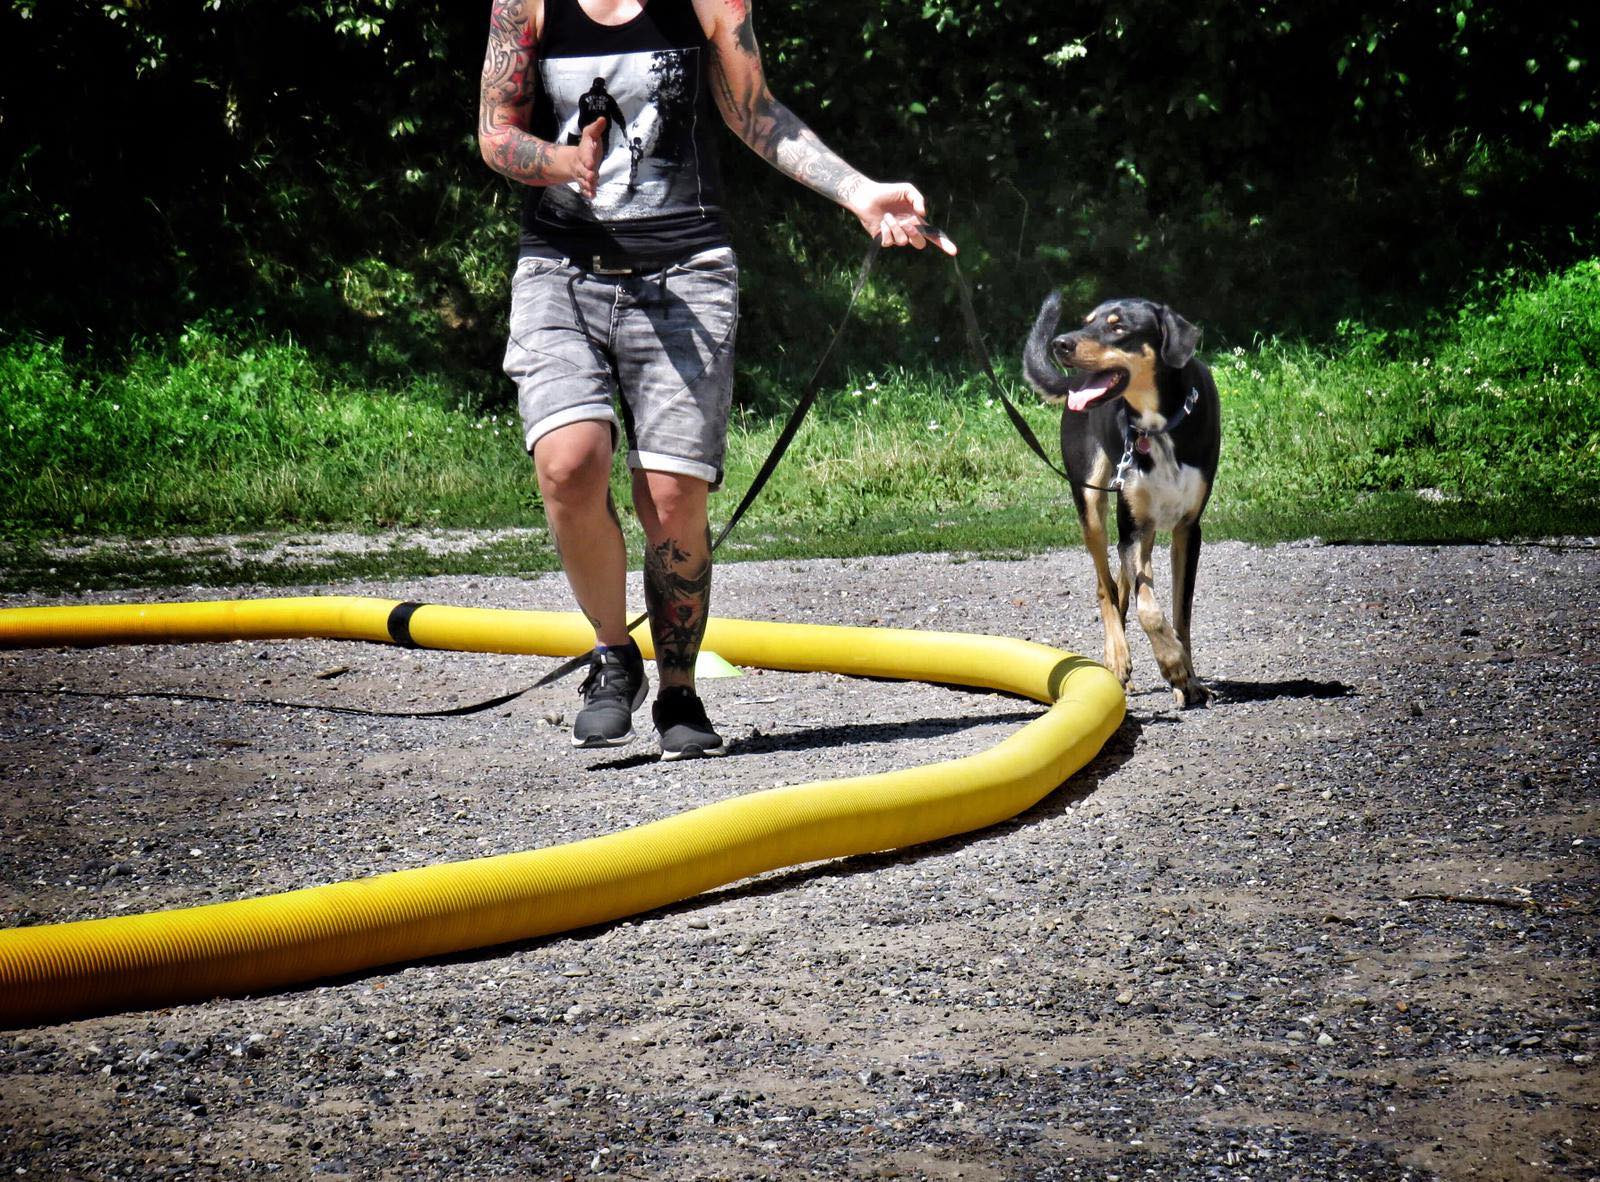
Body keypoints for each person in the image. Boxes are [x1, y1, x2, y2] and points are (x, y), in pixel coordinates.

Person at [478, 0, 956, 760]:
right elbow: (496, 133)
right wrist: (562, 163)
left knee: (671, 498)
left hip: (684, 271)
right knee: (569, 462)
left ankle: (678, 691)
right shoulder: (525, 2)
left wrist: (860, 193)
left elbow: (756, 112)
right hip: (560, 269)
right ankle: (612, 657)